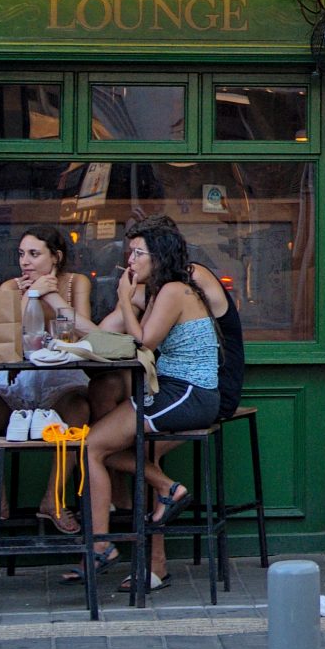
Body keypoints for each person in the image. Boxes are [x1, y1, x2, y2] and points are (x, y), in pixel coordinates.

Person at [74, 216, 223, 586]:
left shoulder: (174, 290)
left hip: (189, 393)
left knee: (93, 445)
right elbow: (118, 335)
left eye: (138, 253)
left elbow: (143, 342)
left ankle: (103, 546)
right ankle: (166, 489)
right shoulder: (160, 291)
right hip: (169, 390)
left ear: (158, 256)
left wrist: (124, 297)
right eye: (130, 253)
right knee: (96, 446)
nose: (130, 260)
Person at [0, 226, 94, 531]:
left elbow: (83, 331)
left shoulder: (76, 283)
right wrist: (30, 295)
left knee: (79, 411)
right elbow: (3, 337)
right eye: (21, 254)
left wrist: (52, 295)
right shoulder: (10, 287)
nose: (25, 261)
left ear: (56, 257)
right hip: (17, 380)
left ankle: (53, 499)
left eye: (34, 254)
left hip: (61, 376)